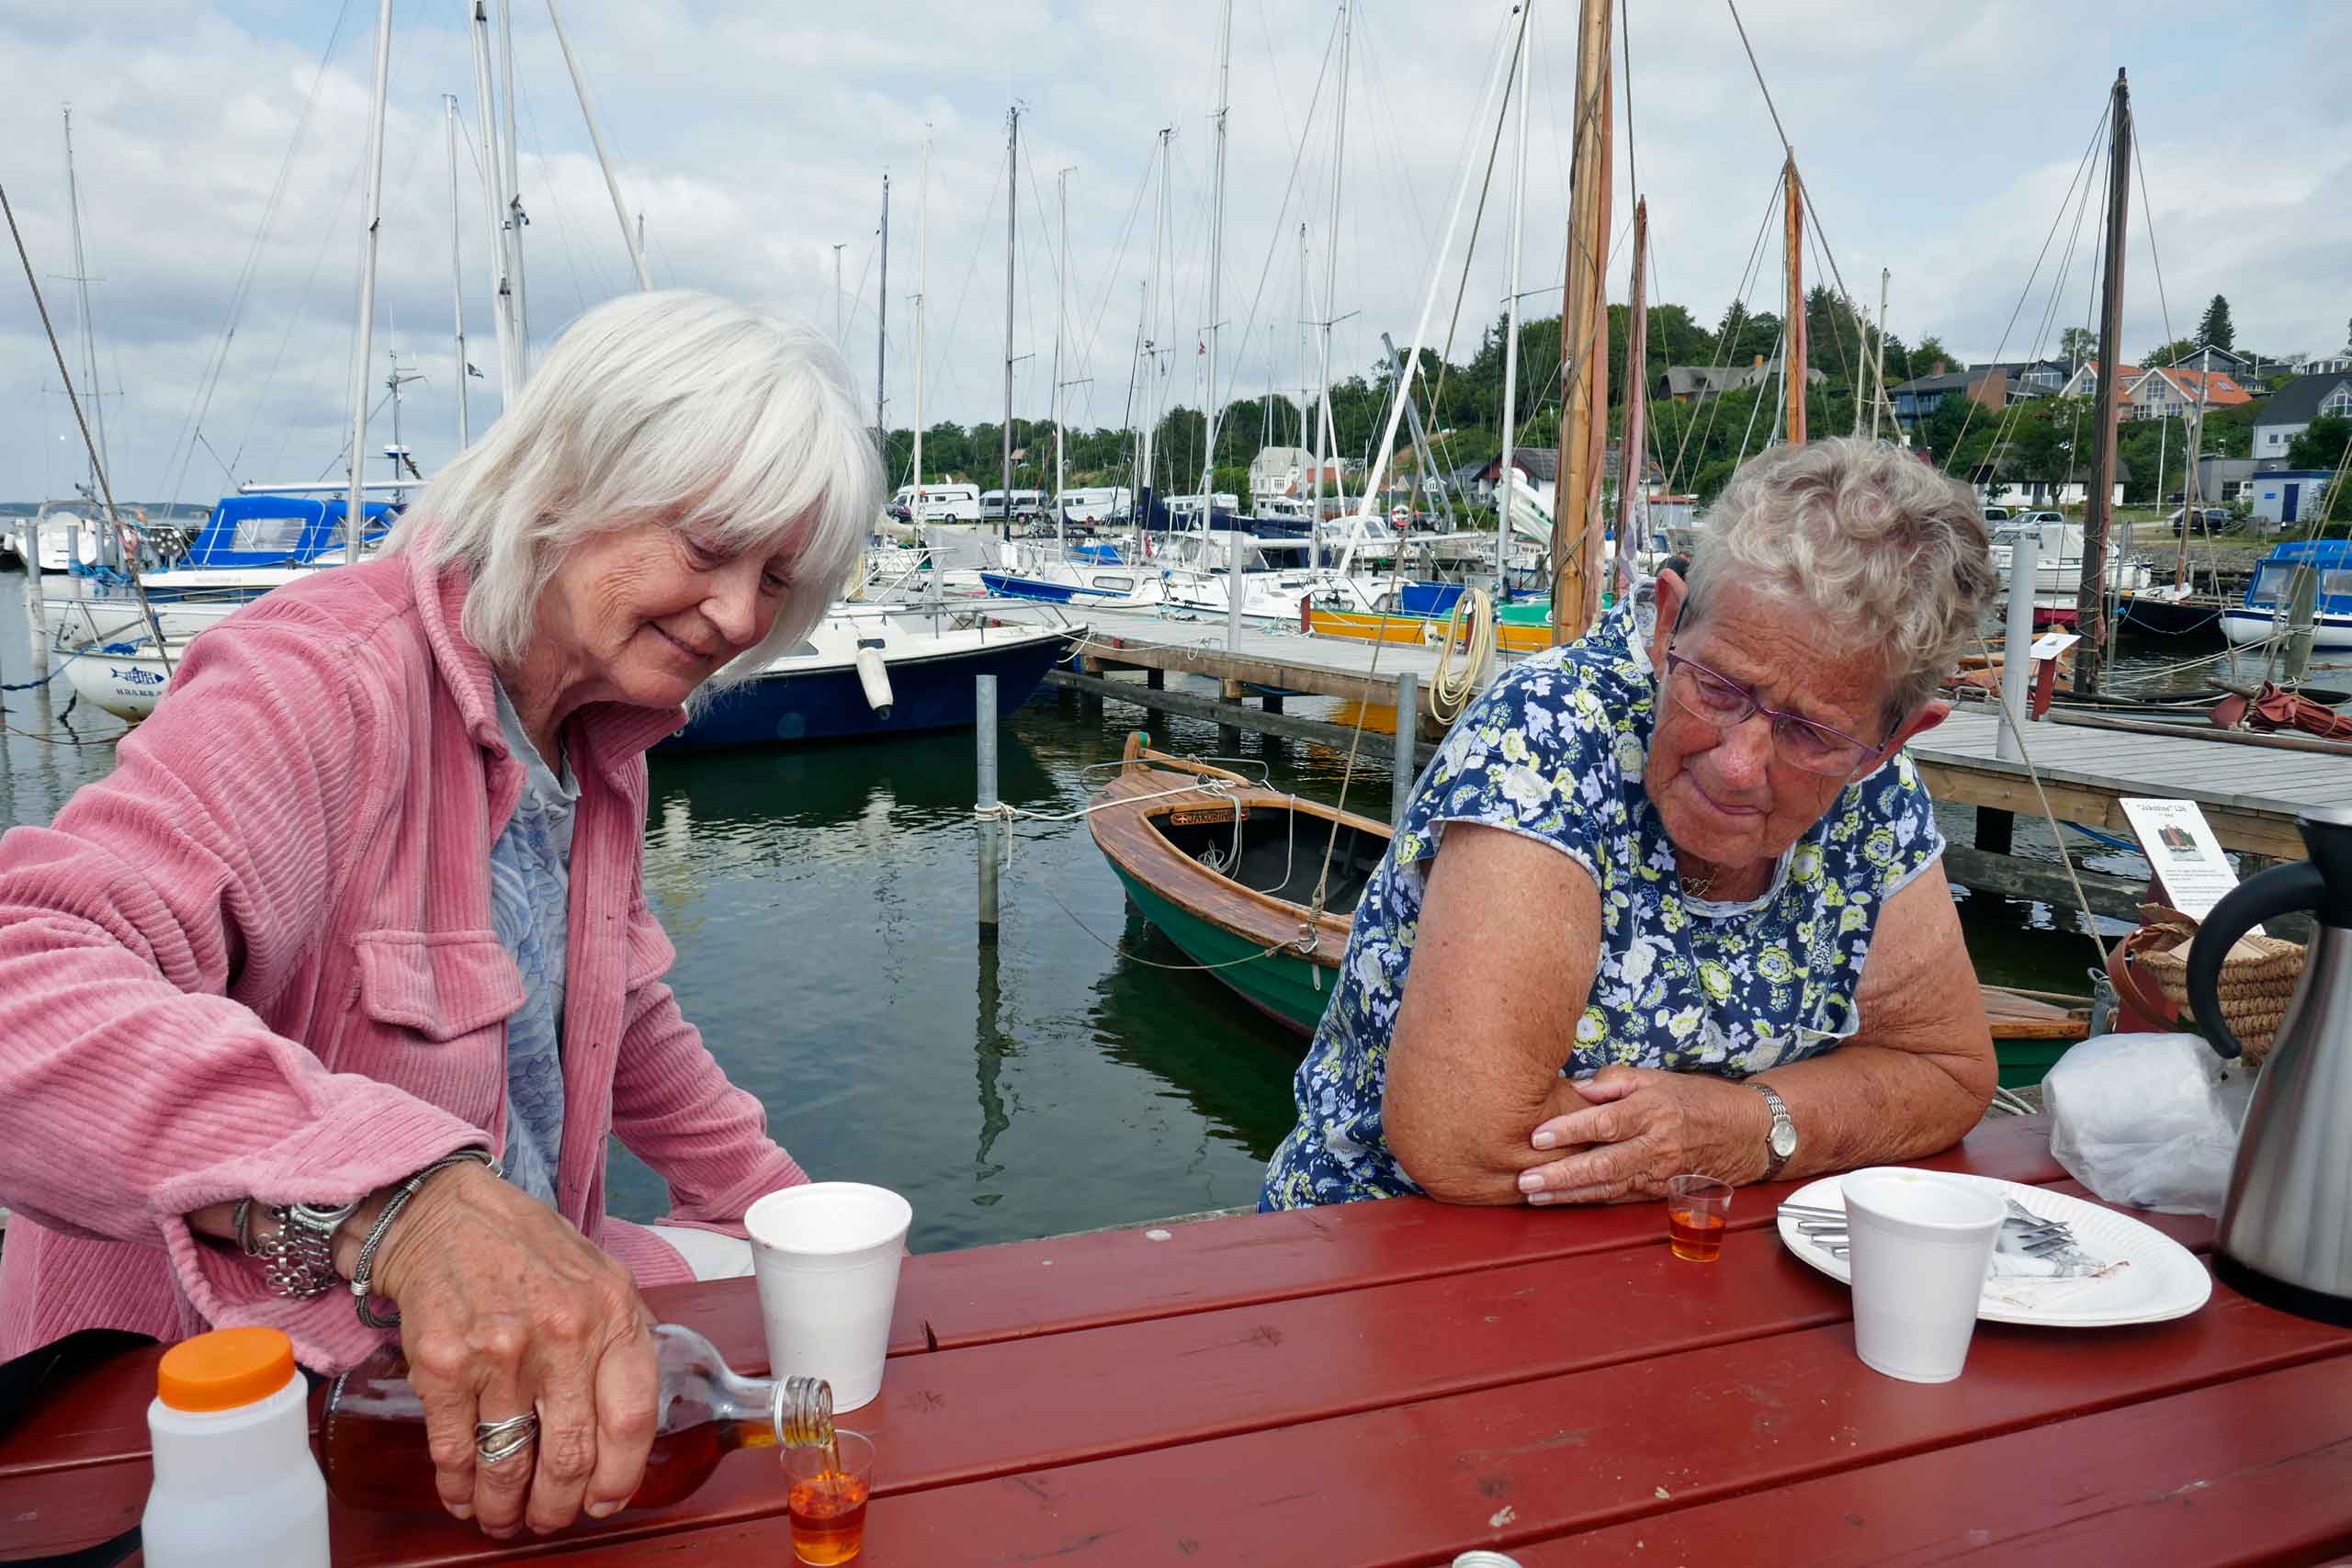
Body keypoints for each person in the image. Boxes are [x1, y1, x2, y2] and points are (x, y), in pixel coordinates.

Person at [0, 291, 880, 1537]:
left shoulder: (599, 739)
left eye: (777, 577)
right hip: (211, 1422)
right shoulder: (320, 682)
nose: (742, 616)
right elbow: (21, 977)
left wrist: (797, 1227)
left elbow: (625, 1020)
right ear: (573, 480)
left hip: (476, 1388)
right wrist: (404, 1202)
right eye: (707, 545)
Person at [1261, 436, 2000, 1212]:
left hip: (1687, 1261)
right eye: (1719, 687)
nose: (1739, 763)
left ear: (1889, 742)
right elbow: (1470, 1140)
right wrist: (1787, 1123)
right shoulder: (1548, 733)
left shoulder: (1875, 787)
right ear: (1667, 625)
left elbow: (1947, 1070)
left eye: (1808, 734)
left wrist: (1751, 1125)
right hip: (1386, 1254)